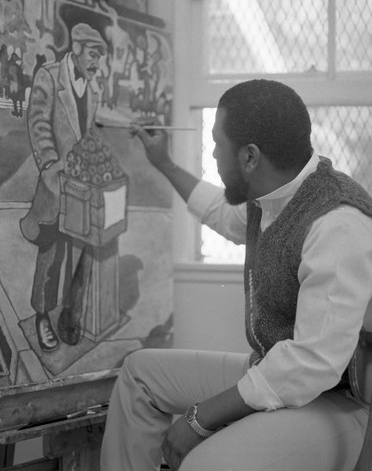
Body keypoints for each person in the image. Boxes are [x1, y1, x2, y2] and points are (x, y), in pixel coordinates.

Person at [100, 79, 372, 471]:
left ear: (249, 157)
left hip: (336, 403)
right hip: (274, 372)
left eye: (216, 143)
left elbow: (312, 364)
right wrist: (163, 163)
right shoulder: (274, 195)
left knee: (204, 463)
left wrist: (199, 419)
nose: (212, 153)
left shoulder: (337, 224)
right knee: (139, 375)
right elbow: (221, 213)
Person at [20, 23, 107, 352]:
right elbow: (38, 121)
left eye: (100, 57)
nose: (97, 63)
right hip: (56, 185)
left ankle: (70, 317)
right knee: (52, 253)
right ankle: (42, 315)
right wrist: (49, 165)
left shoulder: (94, 89)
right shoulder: (50, 75)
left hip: (82, 187)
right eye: (94, 55)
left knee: (84, 252)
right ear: (78, 48)